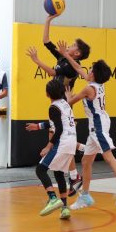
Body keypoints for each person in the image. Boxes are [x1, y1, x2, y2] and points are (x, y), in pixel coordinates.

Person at [62, 57, 116, 209]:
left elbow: (69, 103)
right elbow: (79, 68)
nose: (87, 71)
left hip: (98, 125)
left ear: (93, 74)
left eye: (90, 70)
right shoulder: (96, 83)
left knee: (108, 157)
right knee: (86, 161)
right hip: (98, 122)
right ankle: (85, 196)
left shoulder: (89, 89)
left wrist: (69, 97)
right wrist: (66, 55)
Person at [27, 23, 91, 194]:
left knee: (58, 140)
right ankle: (75, 172)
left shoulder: (73, 66)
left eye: (73, 46)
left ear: (77, 53)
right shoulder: (63, 58)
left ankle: (78, 165)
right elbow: (46, 42)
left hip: (63, 103)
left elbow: (53, 73)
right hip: (59, 102)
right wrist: (49, 18)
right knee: (62, 141)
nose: (69, 45)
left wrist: (37, 61)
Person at [34, 79, 77, 219]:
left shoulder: (53, 107)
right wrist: (38, 126)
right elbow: (56, 123)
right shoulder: (65, 104)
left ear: (47, 94)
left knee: (40, 170)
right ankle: (64, 208)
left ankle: (53, 198)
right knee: (58, 173)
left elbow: (59, 129)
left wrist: (48, 146)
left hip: (62, 143)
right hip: (71, 142)